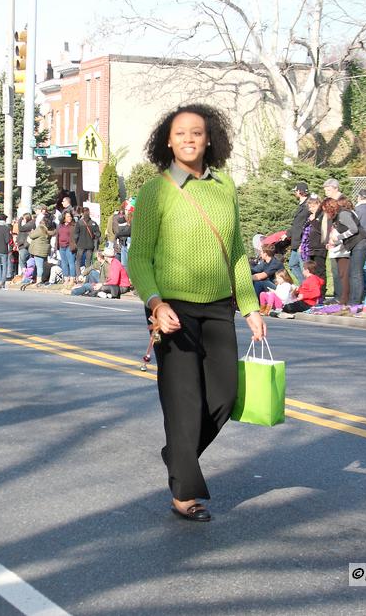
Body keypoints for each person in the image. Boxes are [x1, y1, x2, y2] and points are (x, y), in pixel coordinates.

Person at [128, 103, 264, 523]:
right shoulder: (157, 190)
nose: (189, 139)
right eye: (181, 133)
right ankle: (184, 492)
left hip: (219, 308)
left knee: (224, 396)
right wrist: (156, 302)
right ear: (168, 141)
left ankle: (178, 454)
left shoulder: (225, 187)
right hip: (173, 311)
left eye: (197, 133)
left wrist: (250, 306)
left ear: (210, 140)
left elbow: (237, 252)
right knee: (184, 403)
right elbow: (139, 258)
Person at [323, 197, 351, 304]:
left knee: (344, 275)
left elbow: (351, 230)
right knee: (340, 275)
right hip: (336, 249)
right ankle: (341, 297)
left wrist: (336, 240)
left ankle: (344, 299)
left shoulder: (342, 215)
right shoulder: (335, 218)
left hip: (343, 250)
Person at [287, 182, 310, 282]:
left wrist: (302, 243)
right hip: (296, 240)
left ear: (300, 192)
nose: (295, 193)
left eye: (296, 191)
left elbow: (303, 225)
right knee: (292, 264)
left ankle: (308, 289)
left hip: (301, 241)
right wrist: (287, 234)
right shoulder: (301, 205)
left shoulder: (307, 206)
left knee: (303, 267)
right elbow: (296, 224)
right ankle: (304, 285)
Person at [26, 209, 52, 285]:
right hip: (45, 249)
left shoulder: (41, 228)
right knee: (42, 265)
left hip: (38, 250)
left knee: (39, 266)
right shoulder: (50, 229)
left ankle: (39, 281)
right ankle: (42, 279)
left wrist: (31, 232)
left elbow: (31, 235)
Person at [74, 206, 99, 273]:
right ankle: (87, 276)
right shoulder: (93, 223)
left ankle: (78, 275)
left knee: (78, 261)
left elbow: (76, 235)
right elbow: (98, 234)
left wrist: (76, 242)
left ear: (82, 213)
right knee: (88, 261)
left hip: (80, 244)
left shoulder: (79, 223)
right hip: (90, 245)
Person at [56, 211, 77, 281]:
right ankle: (66, 279)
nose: (69, 218)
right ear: (64, 217)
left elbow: (76, 236)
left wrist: (75, 245)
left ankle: (72, 279)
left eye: (70, 216)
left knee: (71, 263)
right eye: (68, 216)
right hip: (62, 246)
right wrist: (57, 245)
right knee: (64, 263)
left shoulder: (73, 225)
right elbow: (57, 235)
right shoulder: (60, 225)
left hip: (69, 246)